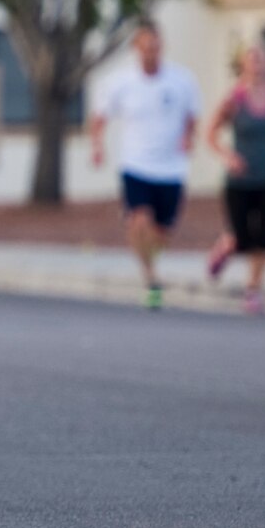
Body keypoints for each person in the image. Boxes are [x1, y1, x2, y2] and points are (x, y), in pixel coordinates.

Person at [90, 18, 202, 310]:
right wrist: (97, 146)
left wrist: (189, 139)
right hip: (136, 164)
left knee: (162, 232)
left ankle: (149, 260)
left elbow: (192, 117)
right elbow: (100, 117)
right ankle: (151, 278)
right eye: (145, 46)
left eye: (155, 46)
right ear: (136, 48)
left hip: (171, 168)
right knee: (139, 220)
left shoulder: (181, 80)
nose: (150, 51)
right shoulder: (122, 83)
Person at [205, 46, 265, 316]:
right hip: (239, 181)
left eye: (261, 59)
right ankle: (226, 245)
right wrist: (228, 157)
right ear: (244, 66)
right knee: (242, 237)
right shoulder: (234, 99)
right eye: (252, 60)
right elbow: (210, 134)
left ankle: (253, 290)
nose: (257, 64)